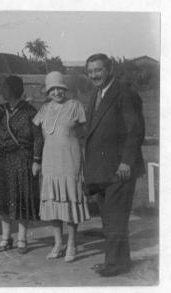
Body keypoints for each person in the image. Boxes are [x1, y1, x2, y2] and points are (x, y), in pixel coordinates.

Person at [83, 54, 145, 277]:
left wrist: (126, 161)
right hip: (101, 170)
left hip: (120, 169)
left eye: (98, 70)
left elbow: (135, 130)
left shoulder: (124, 93)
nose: (94, 75)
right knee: (110, 219)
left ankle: (115, 265)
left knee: (116, 219)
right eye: (90, 72)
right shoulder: (96, 94)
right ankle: (118, 262)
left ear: (109, 69)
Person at [32, 71, 91, 262]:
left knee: (69, 202)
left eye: (60, 88)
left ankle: (72, 244)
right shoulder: (43, 110)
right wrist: (36, 161)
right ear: (47, 91)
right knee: (53, 203)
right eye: (52, 89)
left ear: (65, 89)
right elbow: (37, 138)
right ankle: (58, 243)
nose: (56, 92)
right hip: (50, 162)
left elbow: (84, 135)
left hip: (70, 161)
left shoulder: (75, 106)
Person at [0, 75, 43, 254]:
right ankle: (5, 238)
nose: (2, 91)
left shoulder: (30, 111)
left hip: (22, 159)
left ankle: (22, 239)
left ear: (14, 90)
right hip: (1, 159)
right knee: (4, 198)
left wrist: (37, 160)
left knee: (22, 198)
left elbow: (38, 138)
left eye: (6, 88)